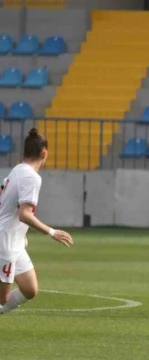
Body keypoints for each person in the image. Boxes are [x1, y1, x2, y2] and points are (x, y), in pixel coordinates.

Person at [0, 128, 74, 315]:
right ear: (44, 153)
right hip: (6, 241)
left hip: (14, 240)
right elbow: (24, 213)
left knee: (30, 289)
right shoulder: (31, 177)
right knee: (3, 298)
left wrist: (21, 234)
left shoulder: (18, 169)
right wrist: (52, 232)